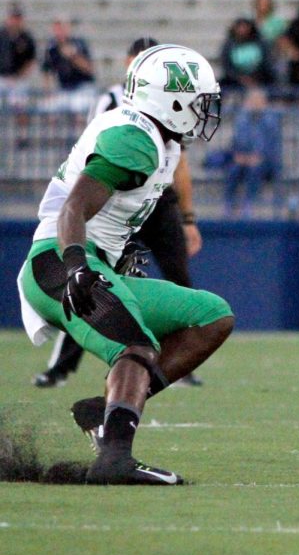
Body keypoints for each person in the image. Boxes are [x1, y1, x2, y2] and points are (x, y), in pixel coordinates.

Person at [17, 44, 234, 485]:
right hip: (58, 263)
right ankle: (114, 460)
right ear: (169, 101)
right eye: (197, 102)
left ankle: (110, 413)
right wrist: (78, 264)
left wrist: (115, 251)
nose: (204, 112)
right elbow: (72, 209)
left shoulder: (155, 138)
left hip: (94, 261)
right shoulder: (134, 140)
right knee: (135, 346)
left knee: (212, 317)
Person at [34, 37, 205, 389]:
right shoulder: (116, 107)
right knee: (91, 281)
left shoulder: (172, 115)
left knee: (179, 279)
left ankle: (178, 362)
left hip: (157, 200)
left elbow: (181, 163)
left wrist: (188, 217)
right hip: (116, 198)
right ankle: (62, 367)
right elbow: (100, 156)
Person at [223, 87, 282, 218]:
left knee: (254, 169)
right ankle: (229, 203)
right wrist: (239, 156)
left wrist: (258, 157)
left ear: (264, 102)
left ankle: (248, 203)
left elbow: (271, 146)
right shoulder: (242, 120)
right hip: (244, 158)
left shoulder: (271, 121)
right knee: (234, 169)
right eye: (252, 101)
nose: (254, 104)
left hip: (266, 161)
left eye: (257, 101)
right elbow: (237, 142)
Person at [41, 17, 94, 112]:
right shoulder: (52, 47)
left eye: (62, 28)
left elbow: (89, 68)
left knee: (78, 107)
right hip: (64, 88)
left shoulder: (79, 43)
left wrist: (73, 56)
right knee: (48, 108)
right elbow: (46, 71)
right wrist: (48, 93)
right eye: (57, 29)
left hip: (82, 87)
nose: (59, 32)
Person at [219, 17, 276, 90]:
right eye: (240, 27)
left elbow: (266, 62)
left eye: (245, 27)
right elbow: (227, 65)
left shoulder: (261, 44)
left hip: (259, 78)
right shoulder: (229, 45)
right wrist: (240, 78)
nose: (242, 30)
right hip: (235, 80)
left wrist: (255, 77)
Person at [0, 3, 36, 107]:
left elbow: (31, 61)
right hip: (1, 78)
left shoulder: (27, 38)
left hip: (18, 80)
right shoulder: (1, 36)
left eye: (17, 18)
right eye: (13, 17)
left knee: (20, 105)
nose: (14, 21)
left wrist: (17, 77)